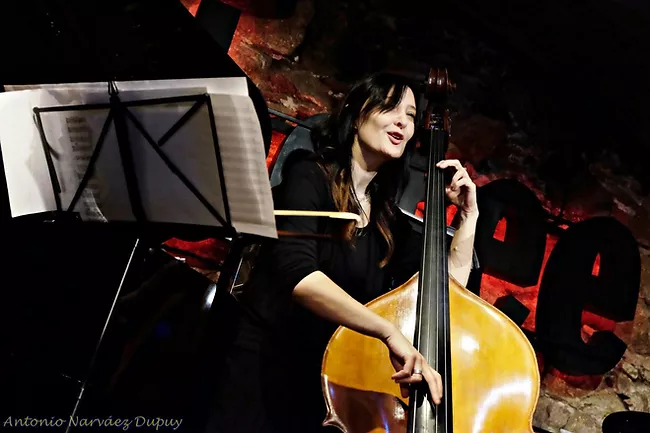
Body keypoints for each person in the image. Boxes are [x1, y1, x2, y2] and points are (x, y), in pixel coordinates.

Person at [207, 72, 478, 433]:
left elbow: (447, 293)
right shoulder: (309, 175)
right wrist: (387, 332)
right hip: (263, 370)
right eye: (391, 107)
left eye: (412, 116)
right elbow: (299, 276)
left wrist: (469, 216)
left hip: (326, 383)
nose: (403, 121)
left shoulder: (388, 222)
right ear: (357, 112)